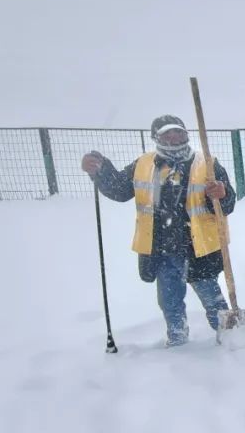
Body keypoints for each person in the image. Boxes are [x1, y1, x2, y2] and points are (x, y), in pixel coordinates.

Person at [81, 115, 235, 347]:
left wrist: (222, 194)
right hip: (163, 251)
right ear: (156, 138)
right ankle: (177, 337)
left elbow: (228, 204)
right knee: (169, 301)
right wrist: (100, 170)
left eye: (178, 132)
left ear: (186, 134)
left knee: (212, 297)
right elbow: (119, 189)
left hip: (198, 248)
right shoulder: (144, 164)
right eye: (166, 133)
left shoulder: (207, 164)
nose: (173, 137)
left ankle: (229, 334)